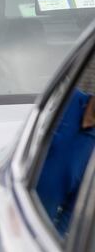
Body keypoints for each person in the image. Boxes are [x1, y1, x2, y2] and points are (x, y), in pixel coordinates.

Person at [36, 87, 95, 236]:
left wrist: (53, 238)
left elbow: (73, 210)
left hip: (39, 229)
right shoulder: (69, 98)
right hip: (12, 202)